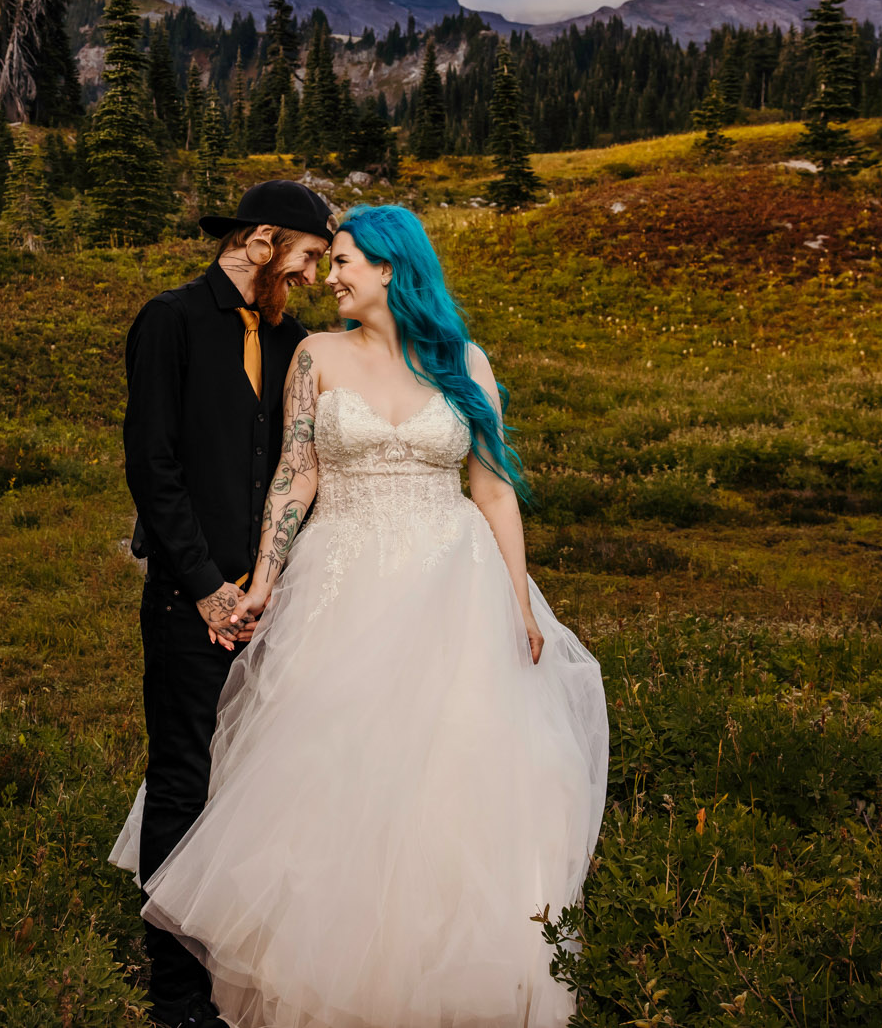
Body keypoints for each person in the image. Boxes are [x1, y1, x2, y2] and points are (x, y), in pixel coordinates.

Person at [110, 204, 608, 1028]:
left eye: (342, 262)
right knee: (331, 772)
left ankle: (445, 972)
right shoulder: (315, 354)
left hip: (455, 590)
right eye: (326, 258)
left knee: (451, 779)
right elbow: (295, 477)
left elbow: (490, 488)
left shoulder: (465, 363)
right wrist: (264, 578)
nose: (328, 276)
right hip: (342, 584)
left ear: (391, 269)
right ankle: (317, 972)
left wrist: (520, 604)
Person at [119, 179, 336, 1028]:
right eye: (309, 256)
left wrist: (268, 587)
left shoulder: (295, 343)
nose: (313, 275)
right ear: (264, 241)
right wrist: (208, 586)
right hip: (187, 604)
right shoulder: (169, 322)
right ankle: (175, 992)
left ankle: (247, 960)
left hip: (275, 608)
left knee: (262, 786)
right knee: (183, 783)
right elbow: (153, 466)